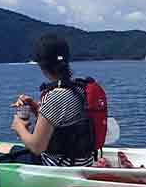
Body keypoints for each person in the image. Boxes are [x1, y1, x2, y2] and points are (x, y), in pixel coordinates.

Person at [9, 34, 99, 167]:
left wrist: (19, 127)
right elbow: (64, 123)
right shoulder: (80, 89)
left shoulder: (54, 96)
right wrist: (35, 107)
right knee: (3, 150)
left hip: (57, 166)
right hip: (83, 162)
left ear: (40, 64)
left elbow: (37, 147)